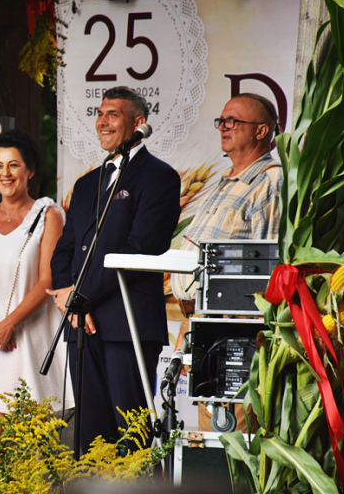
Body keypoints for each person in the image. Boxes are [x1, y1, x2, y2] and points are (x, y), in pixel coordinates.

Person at [47, 87, 181, 454]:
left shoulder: (159, 177)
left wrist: (81, 297)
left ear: (139, 123)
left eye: (113, 114)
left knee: (130, 432)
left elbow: (142, 247)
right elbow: (66, 250)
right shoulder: (88, 183)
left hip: (128, 323)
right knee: (90, 433)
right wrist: (65, 294)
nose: (103, 122)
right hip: (81, 324)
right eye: (100, 113)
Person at [0, 129, 74, 452]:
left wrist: (9, 325)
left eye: (14, 165)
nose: (5, 173)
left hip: (29, 338)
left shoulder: (49, 215)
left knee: (35, 445)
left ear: (30, 171)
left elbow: (47, 279)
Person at [170, 93, 282, 431]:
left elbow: (270, 269)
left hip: (239, 338)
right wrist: (188, 329)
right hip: (203, 328)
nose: (224, 127)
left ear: (262, 130)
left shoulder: (270, 182)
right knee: (212, 442)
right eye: (221, 121)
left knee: (237, 439)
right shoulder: (225, 180)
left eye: (234, 121)